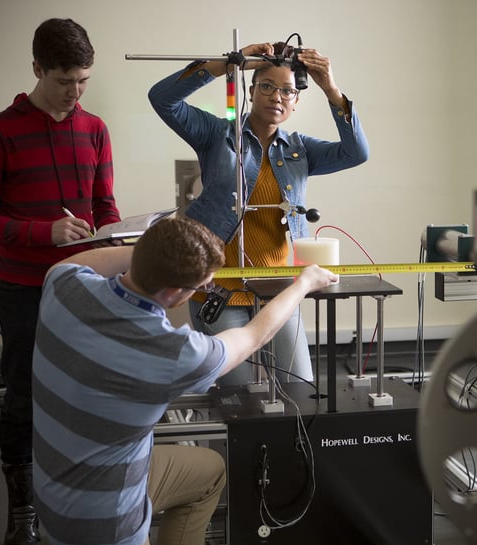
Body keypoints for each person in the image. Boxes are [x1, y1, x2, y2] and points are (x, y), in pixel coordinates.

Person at [31, 216, 337, 545]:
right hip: (103, 530)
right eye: (200, 286)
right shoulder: (176, 353)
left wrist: (162, 250)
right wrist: (304, 283)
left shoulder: (64, 285)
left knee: (209, 471)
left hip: (52, 486)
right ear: (175, 293)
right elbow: (254, 336)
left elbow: (73, 263)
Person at [0, 18, 120, 545]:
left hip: (84, 285)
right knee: (25, 397)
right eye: (63, 81)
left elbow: (106, 208)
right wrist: (42, 232)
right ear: (36, 69)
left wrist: (116, 243)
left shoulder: (95, 128)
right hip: (23, 289)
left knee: (84, 395)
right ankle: (22, 516)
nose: (74, 93)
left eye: (83, 81)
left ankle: (79, 503)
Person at [148, 40, 369, 386]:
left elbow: (356, 153)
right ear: (251, 90)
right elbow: (162, 98)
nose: (276, 96)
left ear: (296, 102)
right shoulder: (217, 134)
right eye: (266, 86)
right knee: (241, 403)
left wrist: (330, 88)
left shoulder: (301, 149)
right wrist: (229, 64)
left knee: (301, 391)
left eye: (287, 91)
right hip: (221, 291)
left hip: (280, 292)